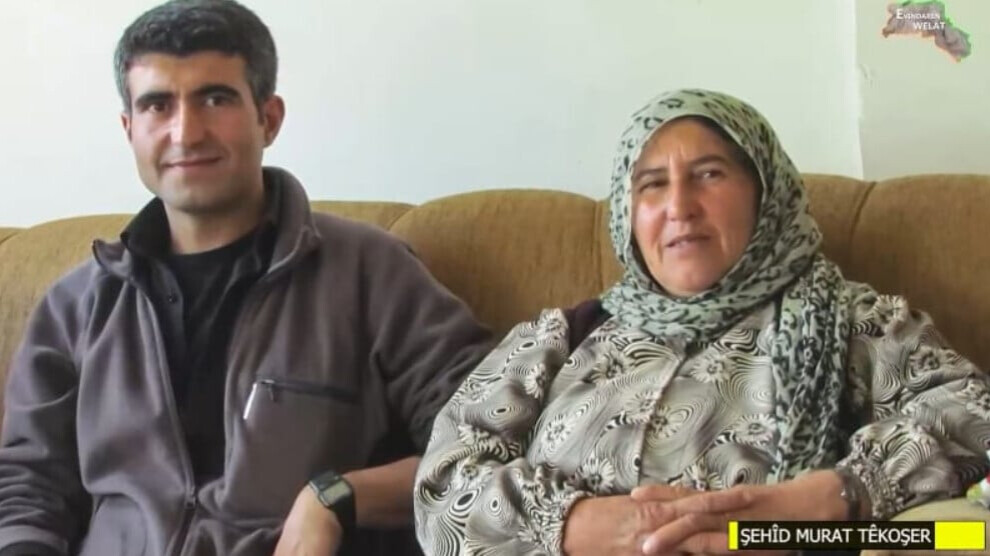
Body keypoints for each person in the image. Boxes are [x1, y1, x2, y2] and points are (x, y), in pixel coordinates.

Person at [0, 1, 492, 555]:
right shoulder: (76, 305)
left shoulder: (369, 271)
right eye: (158, 105)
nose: (186, 133)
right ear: (129, 128)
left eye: (215, 99)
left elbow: (488, 436)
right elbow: (28, 485)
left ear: (269, 118)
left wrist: (337, 497)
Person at [413, 88, 990, 556]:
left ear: (765, 193)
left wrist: (832, 498)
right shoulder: (565, 337)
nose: (679, 206)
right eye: (652, 185)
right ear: (627, 214)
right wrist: (571, 524)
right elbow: (444, 479)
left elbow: (972, 416)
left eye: (709, 175)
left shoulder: (857, 323)